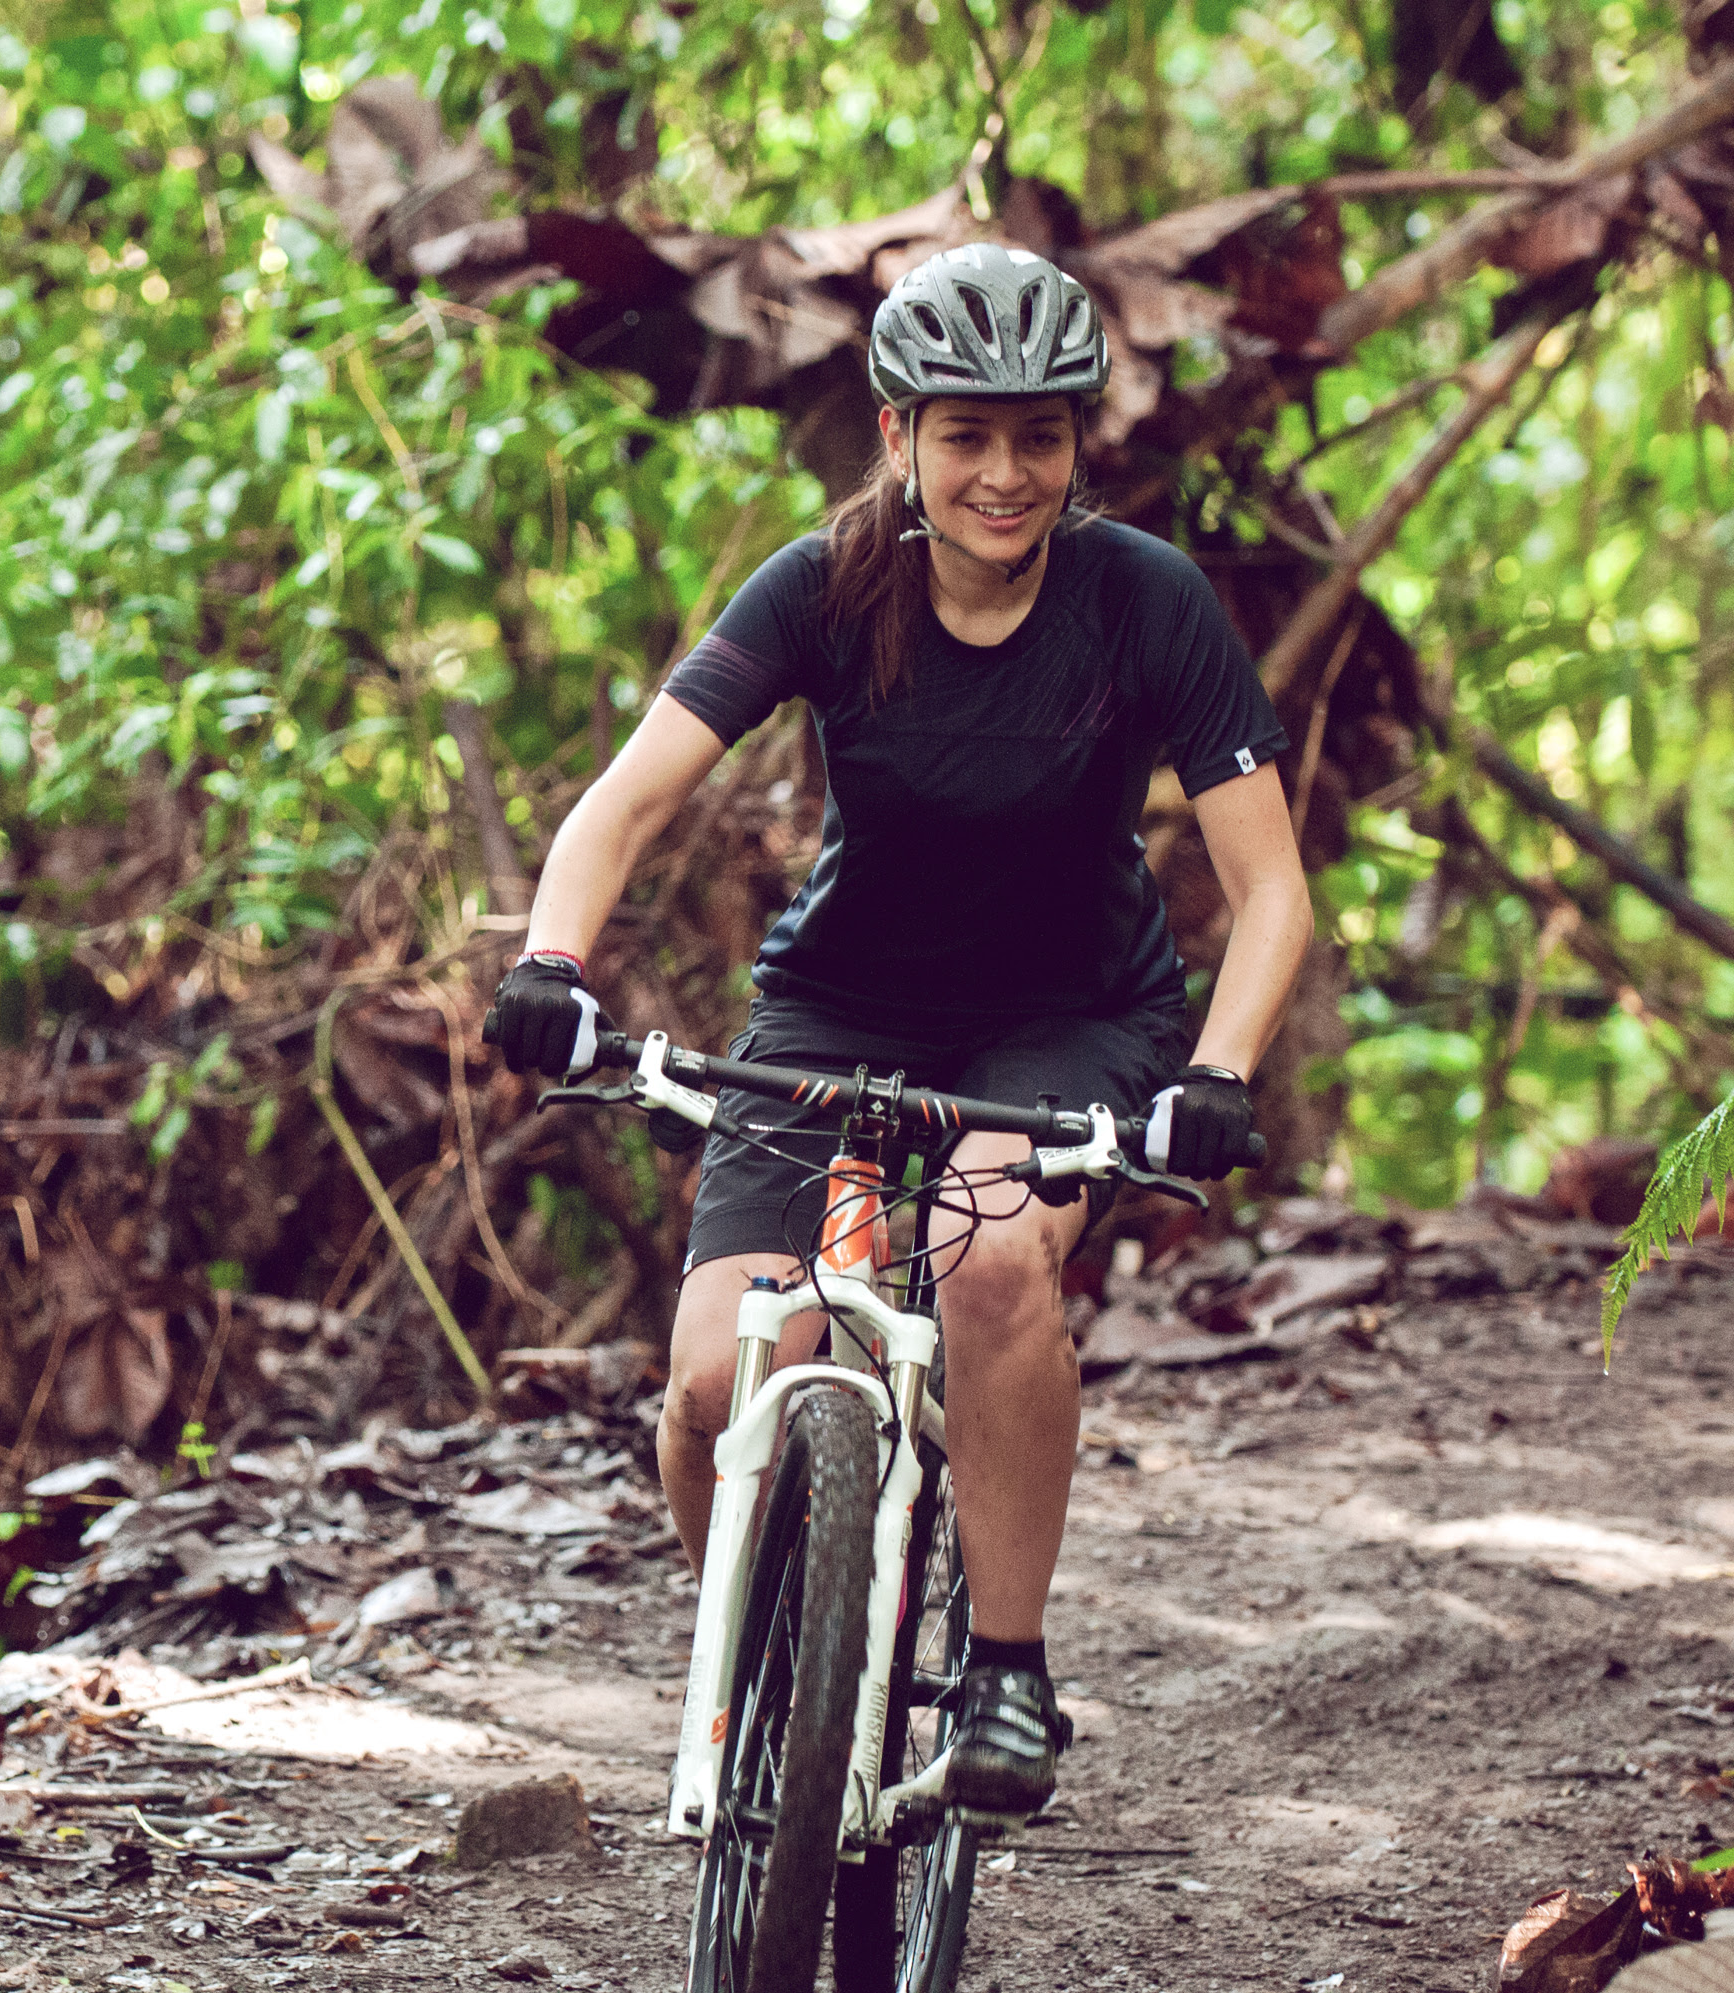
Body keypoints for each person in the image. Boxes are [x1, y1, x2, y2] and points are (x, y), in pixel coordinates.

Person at [481, 243, 1312, 1816]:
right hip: (843, 1008)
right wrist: (551, 958)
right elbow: (626, 801)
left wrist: (1218, 1070)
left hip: (1068, 1014)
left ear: (1079, 442)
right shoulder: (822, 586)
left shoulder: (1145, 600)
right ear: (899, 433)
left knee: (990, 1265)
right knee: (720, 1388)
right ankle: (767, 1661)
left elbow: (1270, 890)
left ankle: (1003, 1669)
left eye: (1040, 436)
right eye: (967, 434)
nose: (1005, 473)